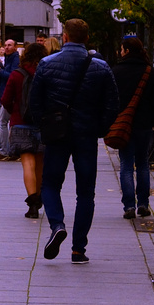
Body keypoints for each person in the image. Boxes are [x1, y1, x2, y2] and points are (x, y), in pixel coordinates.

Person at [28, 18, 119, 264]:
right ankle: (79, 249)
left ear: (65, 37)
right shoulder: (100, 68)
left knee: (50, 184)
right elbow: (112, 104)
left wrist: (44, 125)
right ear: (87, 39)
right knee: (86, 192)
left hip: (57, 134)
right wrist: (100, 127)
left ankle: (57, 224)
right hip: (86, 135)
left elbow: (34, 102)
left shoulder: (47, 64)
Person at [110, 34, 154, 219]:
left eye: (122, 48)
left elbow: (111, 99)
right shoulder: (151, 72)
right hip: (144, 124)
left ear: (126, 51)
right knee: (142, 163)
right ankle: (143, 203)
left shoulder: (116, 72)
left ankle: (128, 206)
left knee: (126, 164)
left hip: (123, 124)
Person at [1, 42, 46, 219]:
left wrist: (16, 112)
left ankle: (32, 204)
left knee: (27, 163)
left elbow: (5, 99)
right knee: (40, 164)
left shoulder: (16, 74)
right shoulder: (46, 73)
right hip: (42, 124)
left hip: (20, 123)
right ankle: (40, 196)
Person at [0, 39, 21, 160]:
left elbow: (12, 76)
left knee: (2, 122)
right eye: (5, 45)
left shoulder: (15, 59)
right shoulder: (9, 58)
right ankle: (9, 150)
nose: (7, 47)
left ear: (15, 47)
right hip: (7, 95)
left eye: (9, 45)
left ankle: (5, 151)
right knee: (7, 123)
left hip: (10, 96)